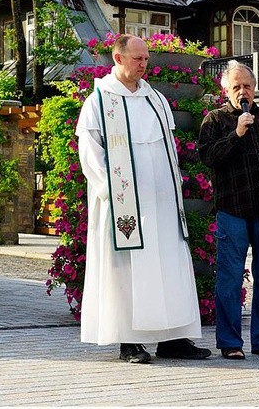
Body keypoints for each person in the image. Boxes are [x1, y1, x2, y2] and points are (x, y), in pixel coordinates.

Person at [75, 35, 211, 363]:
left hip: (162, 205)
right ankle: (129, 341)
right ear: (118, 59)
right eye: (137, 58)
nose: (143, 64)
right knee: (129, 271)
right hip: (126, 206)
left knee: (168, 267)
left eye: (146, 58)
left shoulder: (155, 99)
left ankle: (173, 339)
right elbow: (90, 151)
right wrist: (112, 192)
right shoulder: (99, 100)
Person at [198, 60, 259, 360]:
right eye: (237, 86)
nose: (243, 92)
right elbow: (209, 158)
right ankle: (230, 342)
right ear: (226, 89)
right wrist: (236, 133)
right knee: (230, 278)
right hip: (233, 210)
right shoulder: (215, 120)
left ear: (255, 89)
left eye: (248, 86)